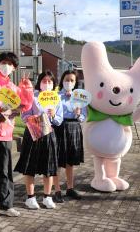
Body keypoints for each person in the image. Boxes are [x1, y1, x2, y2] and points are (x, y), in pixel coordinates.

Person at [14, 71, 63, 209]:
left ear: (53, 84)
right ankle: (30, 197)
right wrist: (38, 118)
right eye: (44, 81)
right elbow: (24, 116)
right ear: (39, 83)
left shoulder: (56, 99)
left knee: (49, 167)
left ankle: (47, 197)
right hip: (32, 133)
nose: (47, 84)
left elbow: (59, 120)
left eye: (50, 81)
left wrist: (53, 116)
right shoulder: (32, 96)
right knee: (30, 167)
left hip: (49, 135)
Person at [0, 52, 25, 217]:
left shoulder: (14, 88)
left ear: (14, 68)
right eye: (3, 62)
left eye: (10, 64)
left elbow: (22, 107)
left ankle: (6, 204)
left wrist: (16, 110)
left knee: (4, 170)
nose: (6, 66)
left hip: (6, 133)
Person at [52, 70, 86, 203]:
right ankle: (57, 190)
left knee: (70, 161)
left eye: (72, 80)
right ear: (62, 81)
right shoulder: (56, 96)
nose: (69, 82)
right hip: (59, 127)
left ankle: (70, 188)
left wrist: (78, 114)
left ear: (75, 83)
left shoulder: (79, 97)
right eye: (67, 80)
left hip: (74, 128)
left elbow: (83, 117)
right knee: (57, 161)